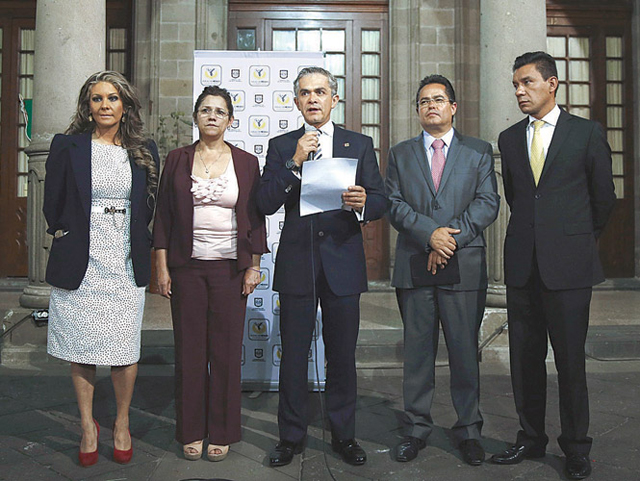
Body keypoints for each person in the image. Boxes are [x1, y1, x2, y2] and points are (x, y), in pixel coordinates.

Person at [489, 52, 616, 480]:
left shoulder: (586, 133)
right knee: (525, 361)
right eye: (515, 85)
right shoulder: (509, 138)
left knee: (570, 362)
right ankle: (530, 437)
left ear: (552, 83)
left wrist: (574, 240)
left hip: (570, 268)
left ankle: (576, 447)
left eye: (527, 82)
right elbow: (517, 198)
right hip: (523, 265)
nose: (519, 91)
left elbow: (603, 198)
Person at [257, 66, 386, 467]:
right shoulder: (281, 146)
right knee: (294, 355)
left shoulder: (358, 144)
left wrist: (363, 202)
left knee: (342, 355)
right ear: (296, 101)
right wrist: (294, 162)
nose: (313, 98)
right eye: (305, 93)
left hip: (343, 263)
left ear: (334, 98)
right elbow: (264, 202)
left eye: (320, 91)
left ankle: (344, 435)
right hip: (298, 262)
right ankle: (290, 437)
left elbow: (380, 200)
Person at [44, 71, 159, 467]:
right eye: (97, 99)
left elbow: (149, 202)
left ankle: (121, 423)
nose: (105, 105)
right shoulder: (68, 146)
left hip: (125, 257)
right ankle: (87, 426)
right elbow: (52, 200)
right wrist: (65, 232)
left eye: (112, 98)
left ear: (125, 105)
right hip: (82, 257)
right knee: (82, 346)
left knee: (124, 347)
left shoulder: (144, 149)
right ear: (87, 106)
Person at [385, 74, 499, 466]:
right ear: (417, 110)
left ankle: (469, 431)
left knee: (464, 352)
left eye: (438, 99)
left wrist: (447, 240)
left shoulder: (478, 151)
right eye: (423, 101)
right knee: (417, 353)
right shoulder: (400, 154)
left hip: (463, 264)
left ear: (453, 107)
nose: (430, 106)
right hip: (415, 262)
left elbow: (487, 202)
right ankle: (416, 428)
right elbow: (393, 204)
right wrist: (429, 234)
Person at [153, 86, 267, 462]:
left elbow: (255, 218)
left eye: (219, 111)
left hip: (230, 270)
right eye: (205, 110)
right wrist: (162, 268)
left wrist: (254, 266)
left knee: (225, 353)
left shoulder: (246, 162)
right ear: (196, 117)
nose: (212, 116)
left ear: (230, 120)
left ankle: (221, 431)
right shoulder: (177, 159)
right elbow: (163, 217)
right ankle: (190, 430)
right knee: (189, 352)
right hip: (186, 268)